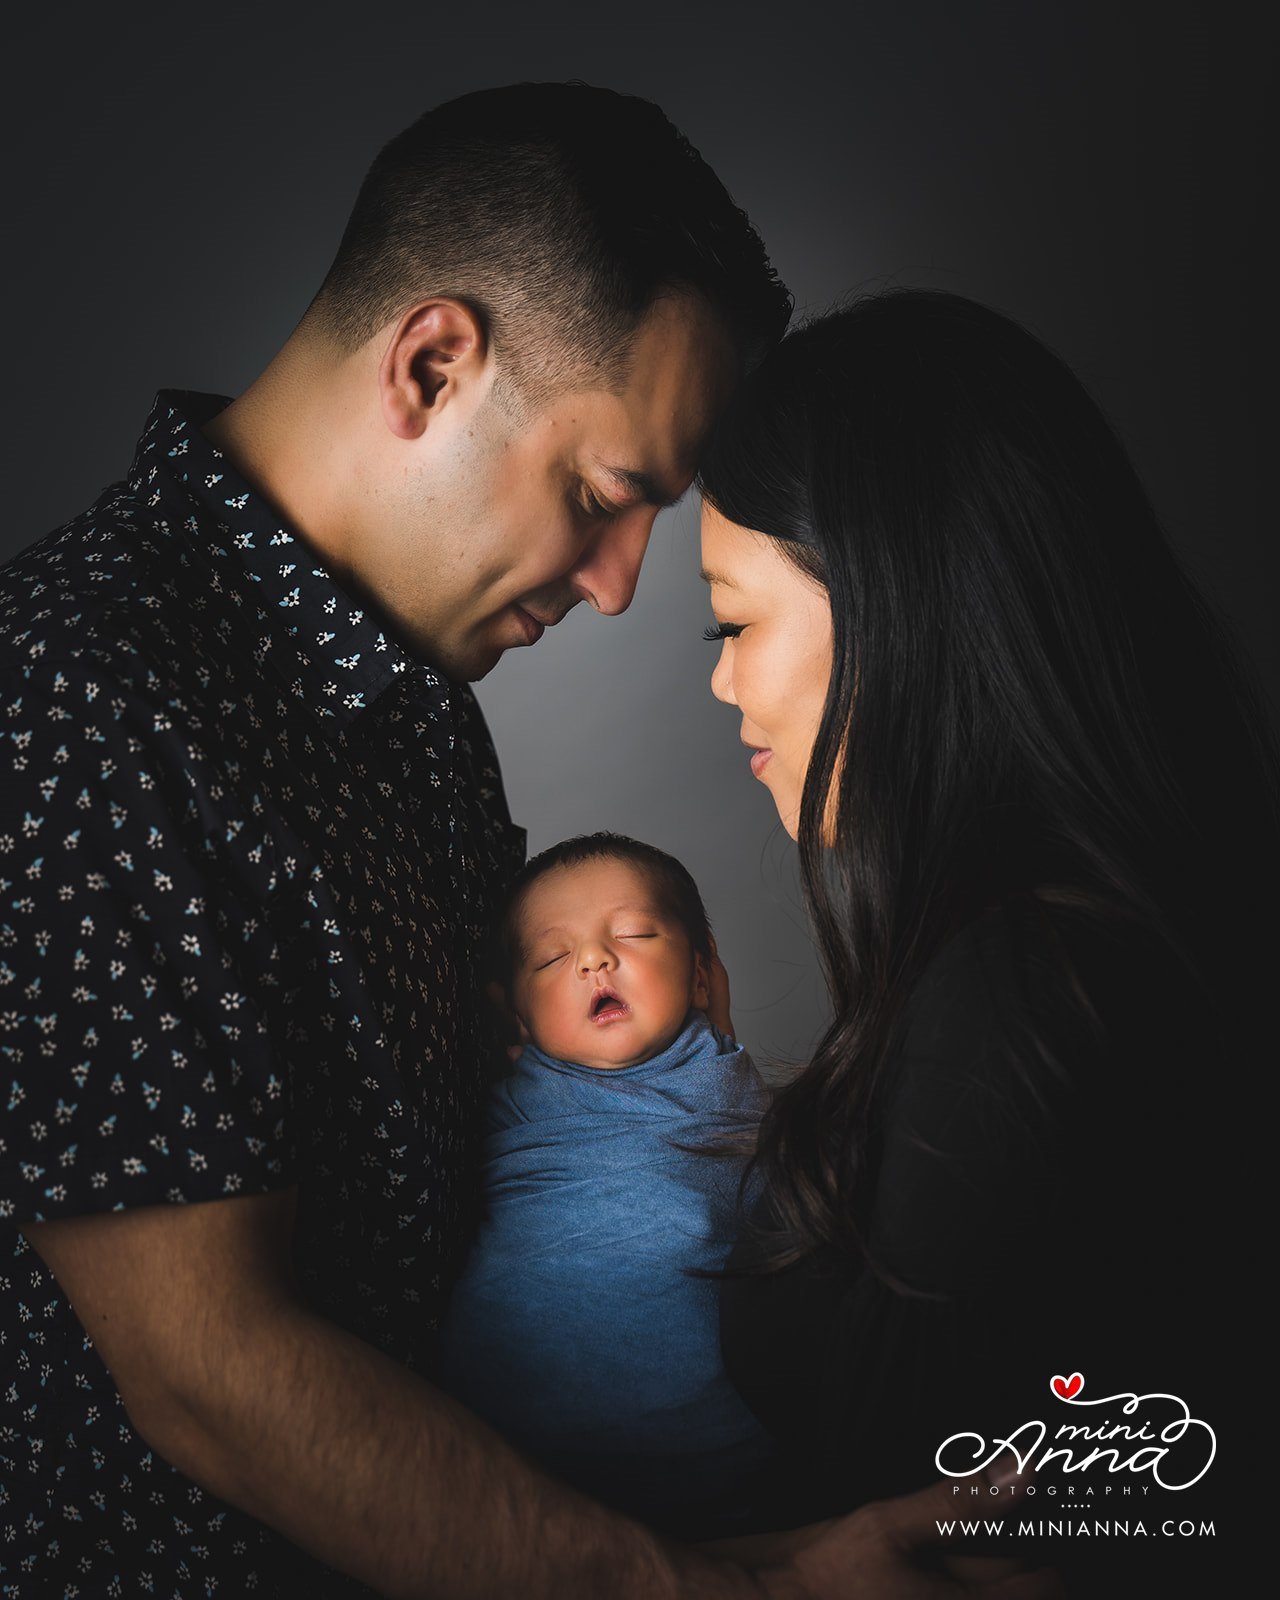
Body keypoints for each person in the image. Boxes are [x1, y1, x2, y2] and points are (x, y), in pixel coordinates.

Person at [0, 82, 1058, 1600]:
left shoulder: (418, 706)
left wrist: (772, 1553)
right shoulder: (77, 699)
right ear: (432, 365)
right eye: (602, 494)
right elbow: (211, 1377)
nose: (623, 586)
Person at [695, 289, 1276, 1594]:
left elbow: (907, 1540)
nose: (723, 684)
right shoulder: (1073, 948)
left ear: (892, 605)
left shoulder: (1015, 999)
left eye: (734, 624)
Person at [440, 833, 772, 1537]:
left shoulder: (728, 1085)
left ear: (704, 972)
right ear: (518, 1017)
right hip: (523, 1477)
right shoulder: (512, 1097)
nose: (595, 958)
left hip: (725, 1475)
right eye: (555, 956)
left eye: (634, 933)